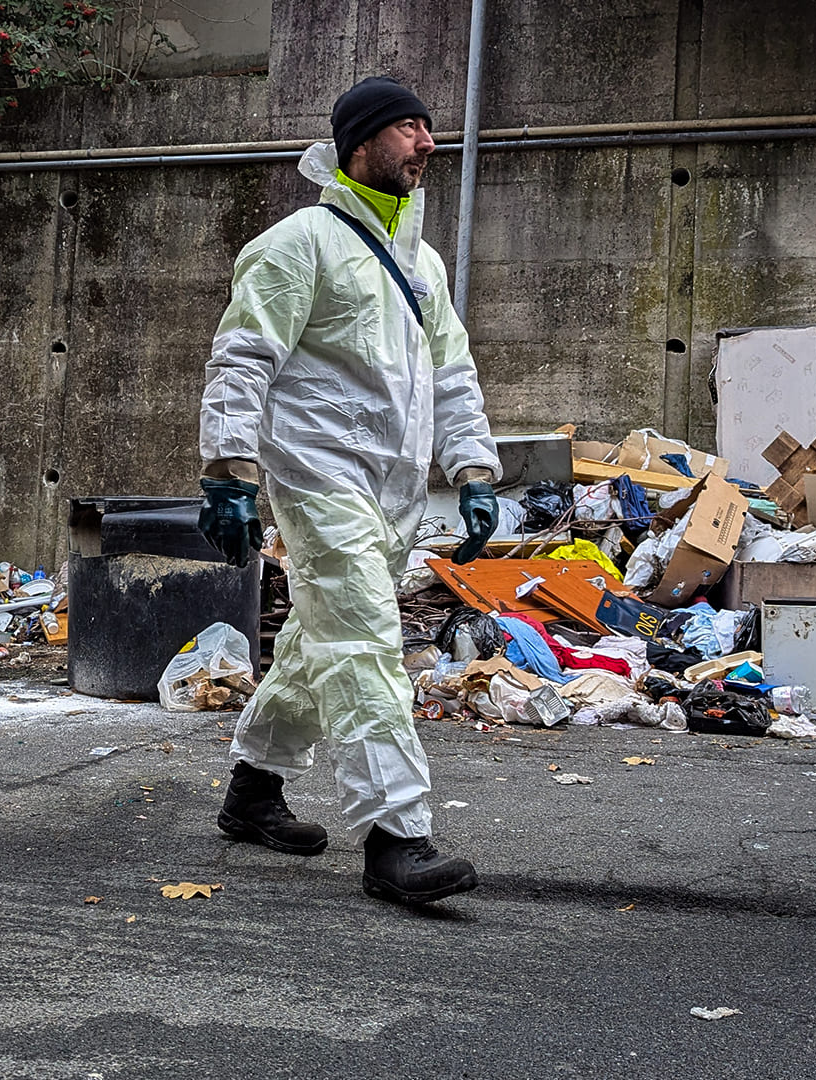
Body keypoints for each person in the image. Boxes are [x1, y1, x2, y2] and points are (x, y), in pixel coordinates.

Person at [197, 75, 501, 905]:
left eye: (430, 127)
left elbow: (453, 377)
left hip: (393, 490)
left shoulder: (424, 264)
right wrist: (229, 473)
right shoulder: (299, 243)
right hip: (318, 475)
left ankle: (253, 793)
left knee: (315, 638)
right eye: (409, 127)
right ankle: (398, 838)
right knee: (365, 637)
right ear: (358, 143)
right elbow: (243, 360)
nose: (428, 142)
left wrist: (472, 471)